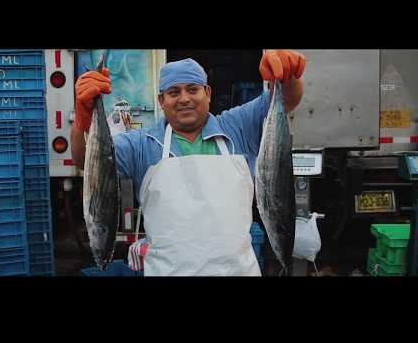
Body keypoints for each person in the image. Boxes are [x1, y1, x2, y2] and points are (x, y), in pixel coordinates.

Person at [71, 49, 307, 276]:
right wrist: (83, 119)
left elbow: (287, 99)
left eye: (192, 89)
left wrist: (287, 74)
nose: (184, 98)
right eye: (174, 92)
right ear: (161, 101)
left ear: (208, 93)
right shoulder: (140, 144)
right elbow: (85, 160)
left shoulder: (238, 126)